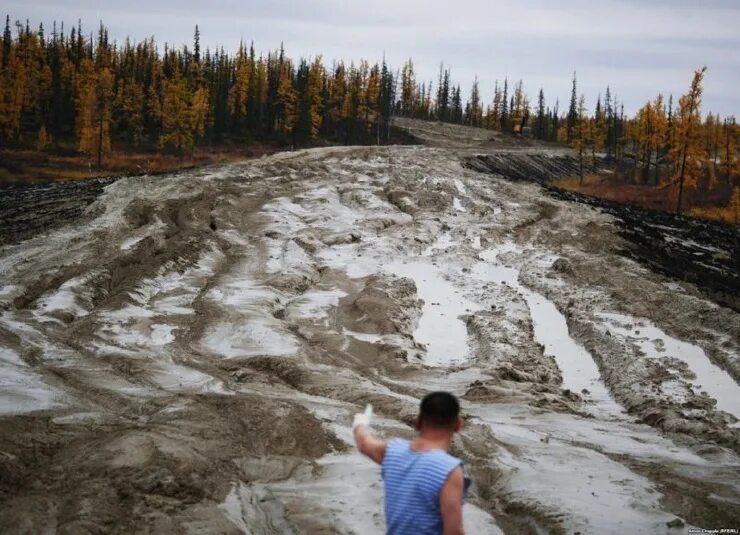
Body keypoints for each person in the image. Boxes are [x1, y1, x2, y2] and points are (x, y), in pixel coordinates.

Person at [352, 391, 469, 535]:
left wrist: (360, 424)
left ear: (418, 421)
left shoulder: (392, 451)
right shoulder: (450, 470)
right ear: (457, 425)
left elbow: (364, 443)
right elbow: (453, 532)